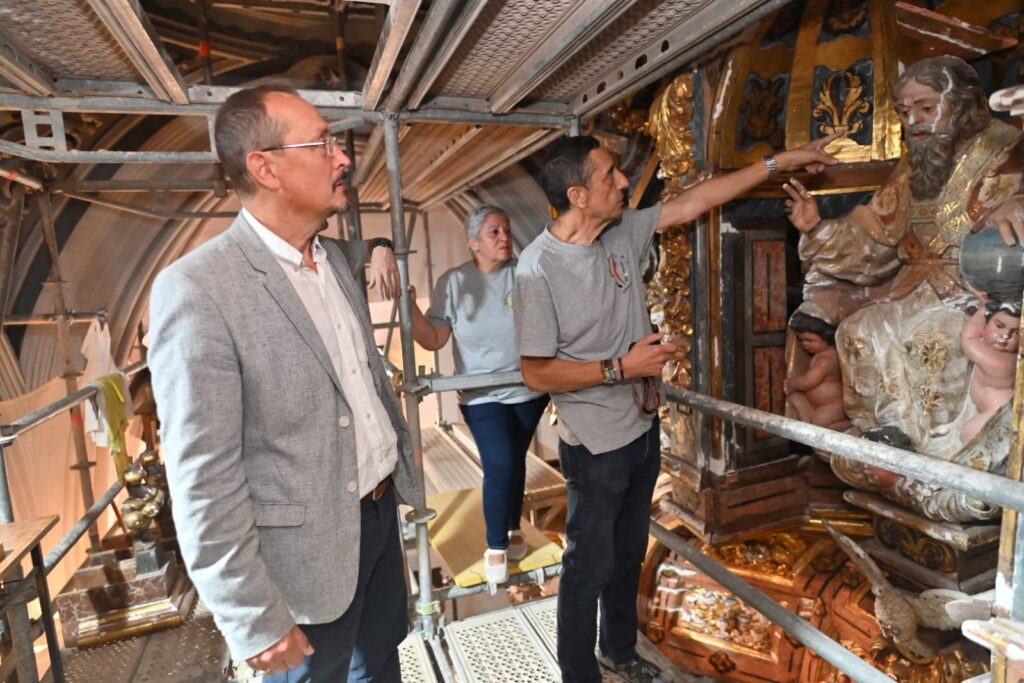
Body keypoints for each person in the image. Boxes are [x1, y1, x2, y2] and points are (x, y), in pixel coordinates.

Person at [514, 134, 837, 683]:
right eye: (611, 175)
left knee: (628, 551)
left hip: (641, 427)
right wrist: (622, 367)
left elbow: (696, 201)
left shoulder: (621, 231)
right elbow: (536, 372)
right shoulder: (537, 270)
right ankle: (577, 674)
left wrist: (777, 162)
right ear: (579, 194)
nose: (623, 182)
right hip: (593, 445)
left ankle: (618, 651)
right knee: (587, 566)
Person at [148, 82, 424, 682]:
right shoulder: (198, 290)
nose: (343, 156)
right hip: (302, 562)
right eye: (323, 143)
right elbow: (202, 475)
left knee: (379, 666)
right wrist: (250, 614)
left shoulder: (330, 261)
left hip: (376, 521)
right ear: (265, 168)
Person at [783, 55, 1024, 459]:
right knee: (859, 329)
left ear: (962, 104)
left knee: (934, 339)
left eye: (927, 108)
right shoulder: (915, 167)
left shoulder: (1010, 149)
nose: (913, 121)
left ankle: (945, 454)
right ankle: (891, 437)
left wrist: (1017, 202)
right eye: (904, 112)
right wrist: (816, 228)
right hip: (910, 290)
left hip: (973, 295)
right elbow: (873, 235)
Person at [409, 205, 549, 584]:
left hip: (529, 389)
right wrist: (409, 307)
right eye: (493, 232)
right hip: (481, 394)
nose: (504, 237)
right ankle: (496, 547)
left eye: (506, 230)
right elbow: (436, 338)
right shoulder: (454, 282)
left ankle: (512, 528)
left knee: (515, 460)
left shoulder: (524, 273)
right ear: (473, 243)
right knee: (501, 464)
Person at [960, 299, 1021, 444]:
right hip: (995, 409)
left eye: (1017, 333)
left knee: (968, 434)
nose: (1005, 335)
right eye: (999, 326)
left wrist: (984, 304)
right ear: (985, 324)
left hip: (1001, 414)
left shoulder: (1000, 363)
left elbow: (968, 338)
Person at [784, 312, 850, 432]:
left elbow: (808, 382)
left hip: (832, 405)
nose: (804, 344)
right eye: (801, 340)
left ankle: (850, 427)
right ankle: (807, 420)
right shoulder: (820, 354)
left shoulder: (826, 360)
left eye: (810, 340)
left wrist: (792, 383)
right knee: (793, 396)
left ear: (826, 337)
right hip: (817, 403)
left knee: (819, 423)